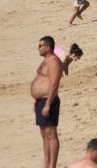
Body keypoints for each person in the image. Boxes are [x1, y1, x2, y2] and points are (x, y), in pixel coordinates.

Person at [32, 35, 63, 168]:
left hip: (48, 101)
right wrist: (37, 102)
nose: (38, 48)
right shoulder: (46, 60)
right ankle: (46, 163)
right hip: (40, 101)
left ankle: (52, 165)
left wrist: (48, 104)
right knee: (44, 134)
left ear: (47, 47)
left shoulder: (54, 61)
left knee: (51, 133)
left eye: (40, 46)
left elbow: (55, 83)